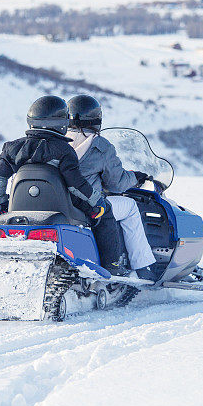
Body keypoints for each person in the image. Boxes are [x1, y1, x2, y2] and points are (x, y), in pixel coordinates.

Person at [0, 96, 126, 273]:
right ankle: (111, 266)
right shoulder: (63, 150)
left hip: (20, 205)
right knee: (105, 210)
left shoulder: (12, 148)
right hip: (60, 204)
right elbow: (75, 184)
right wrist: (96, 203)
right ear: (62, 123)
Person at [67, 95, 158, 281]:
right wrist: (135, 177)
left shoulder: (56, 140)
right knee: (130, 207)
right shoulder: (100, 146)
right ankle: (141, 266)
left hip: (60, 203)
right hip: (87, 206)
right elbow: (117, 184)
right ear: (97, 119)